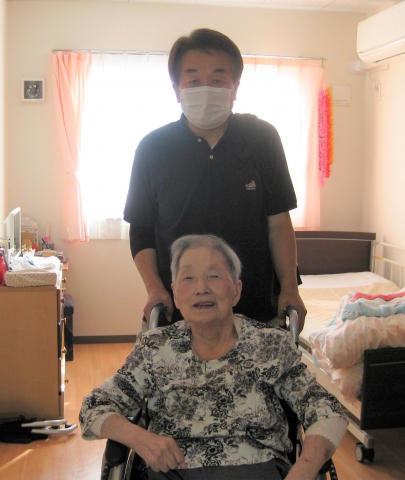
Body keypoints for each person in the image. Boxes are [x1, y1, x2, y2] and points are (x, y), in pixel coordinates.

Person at [80, 234, 347, 479]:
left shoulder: (270, 345)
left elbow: (328, 411)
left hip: (256, 469)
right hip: (173, 471)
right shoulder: (155, 348)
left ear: (236, 290)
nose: (201, 288)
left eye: (214, 276)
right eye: (188, 278)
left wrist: (304, 469)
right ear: (175, 293)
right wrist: (142, 440)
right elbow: (94, 407)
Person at [124, 28, 307, 328]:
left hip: (256, 311)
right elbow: (141, 229)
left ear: (235, 88)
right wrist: (154, 288)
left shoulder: (262, 139)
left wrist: (289, 287)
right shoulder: (153, 148)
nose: (206, 89)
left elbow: (278, 222)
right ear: (177, 89)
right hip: (179, 313)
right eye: (193, 80)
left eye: (218, 79)